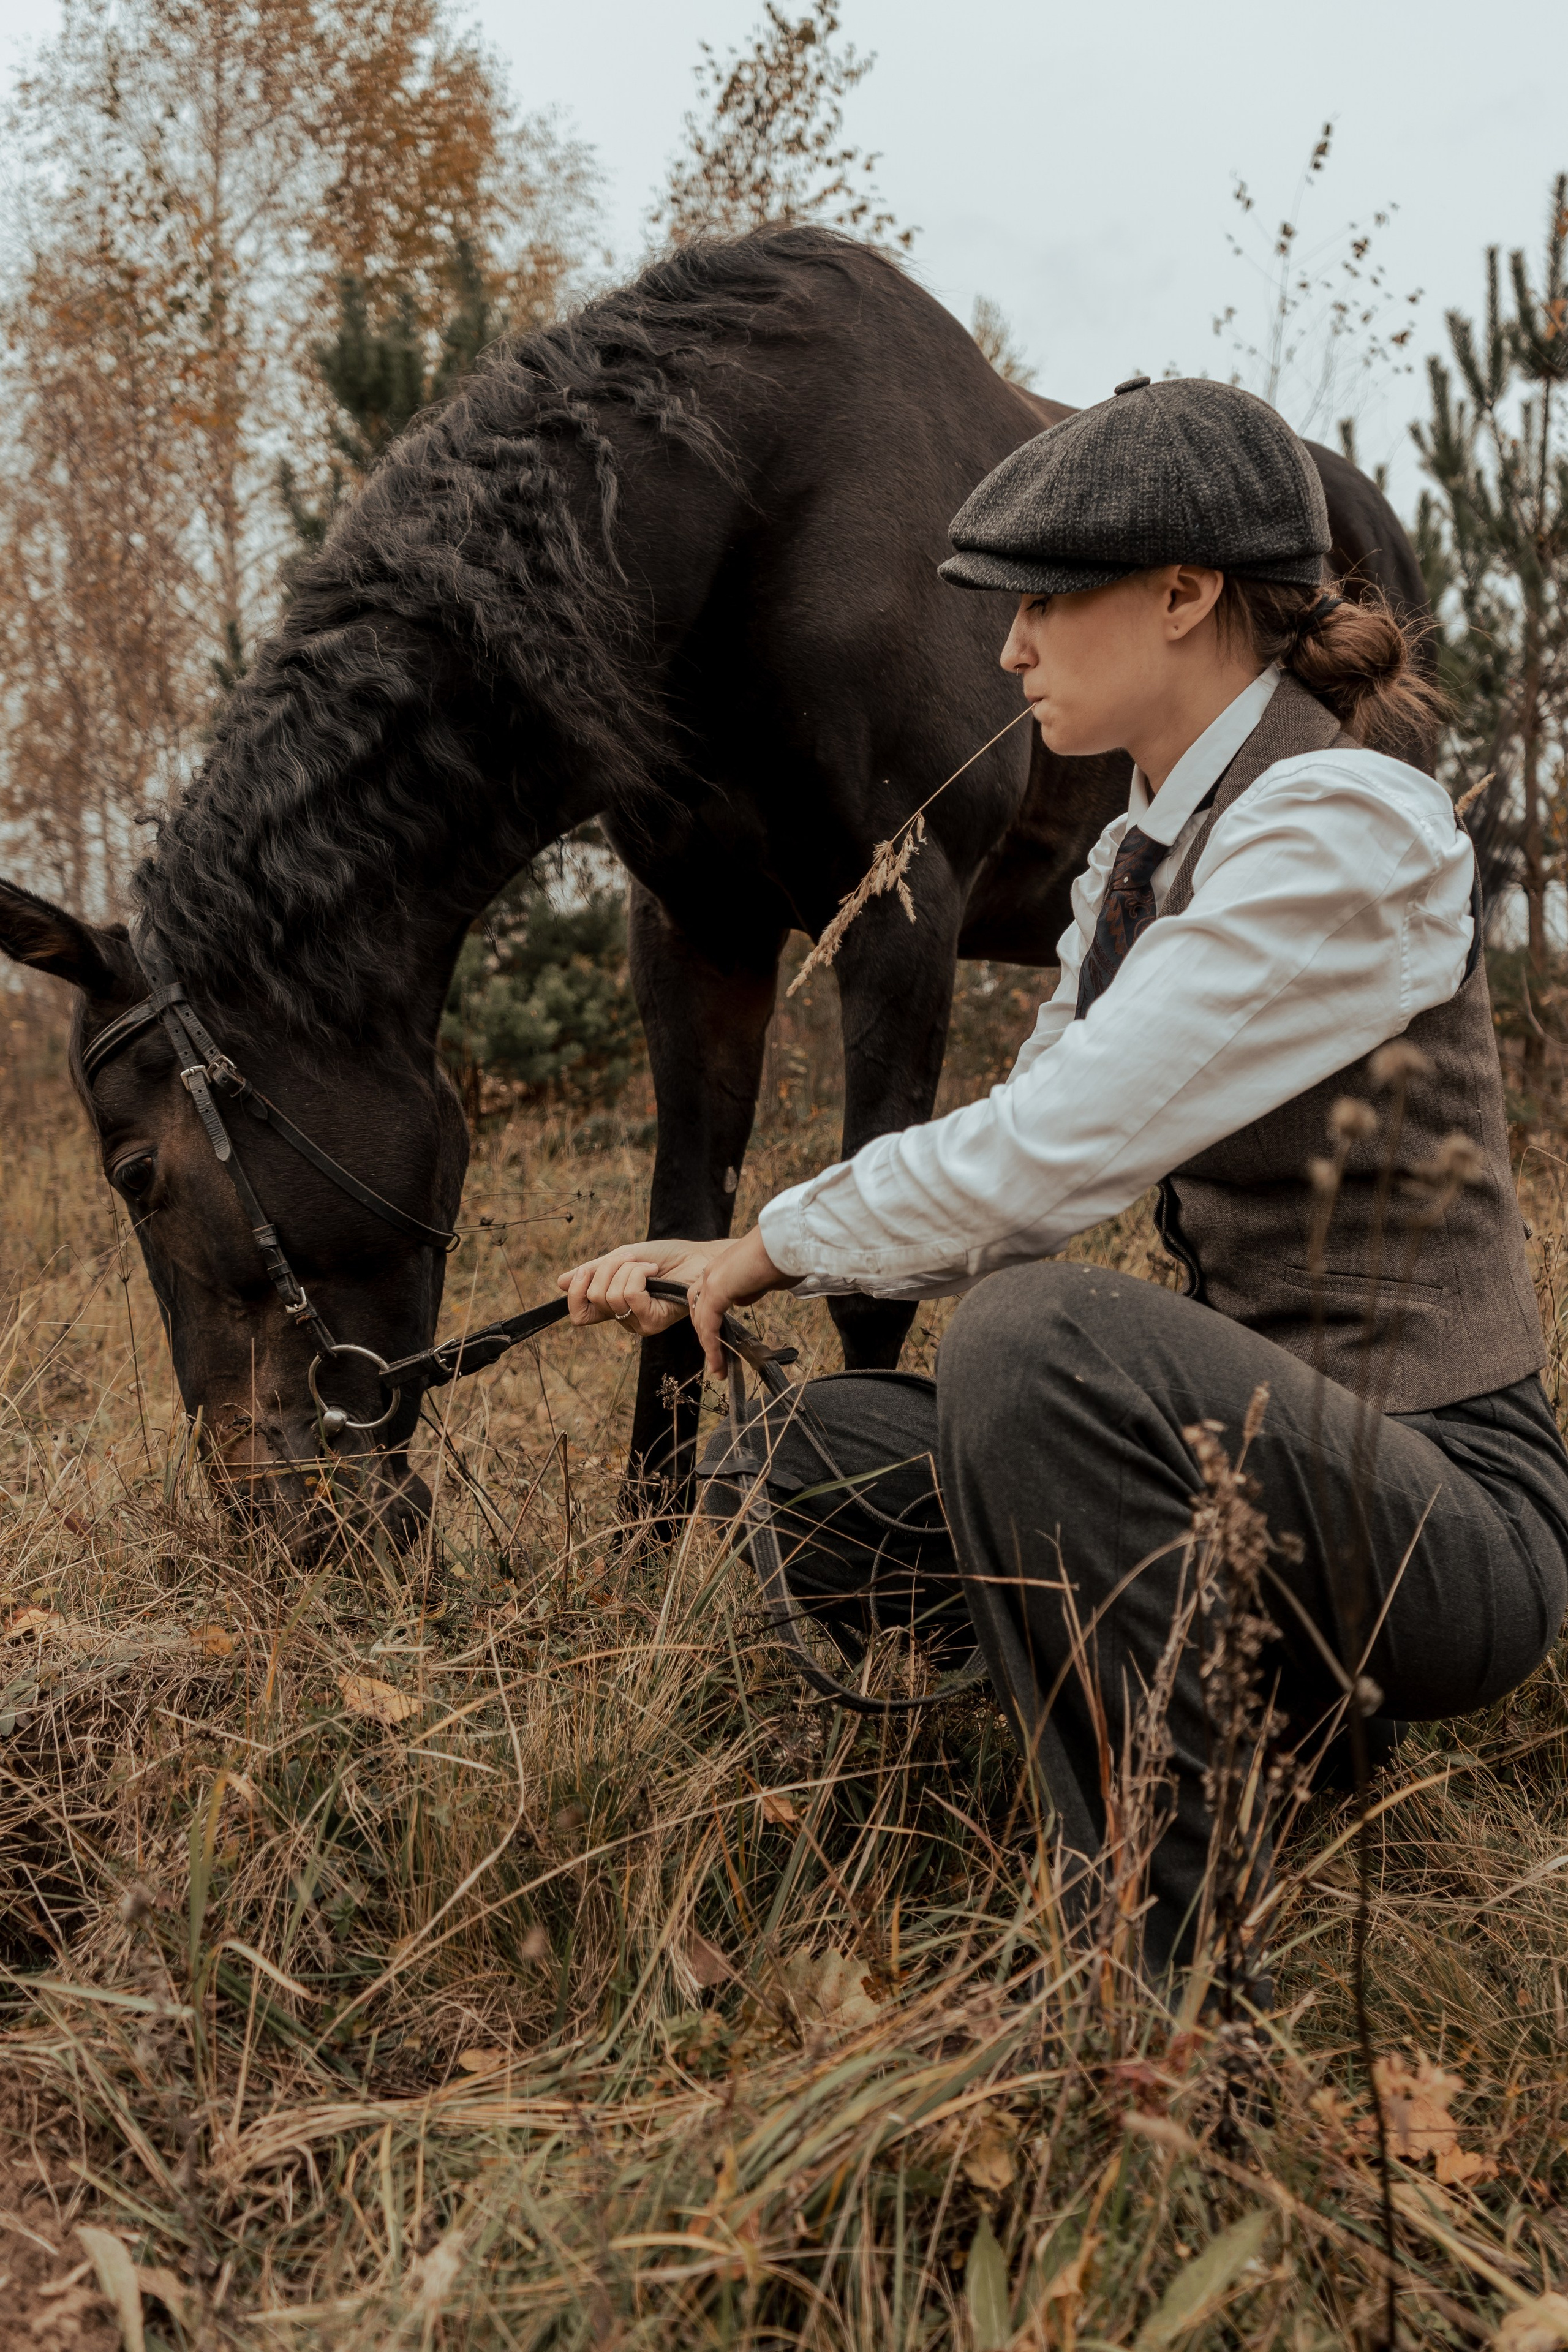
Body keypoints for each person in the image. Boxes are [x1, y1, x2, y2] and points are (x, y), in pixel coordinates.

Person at [557, 377, 1568, 1985]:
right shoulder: (1136, 863)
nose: (1009, 646)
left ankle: (1156, 1957)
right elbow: (1021, 1154)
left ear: (1184, 596)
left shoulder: (1342, 829)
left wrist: (762, 1248)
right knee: (798, 1452)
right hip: (1263, 1487)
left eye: (1046, 600)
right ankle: (1228, 1711)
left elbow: (1056, 1152)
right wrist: (724, 1263)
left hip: (1444, 1518)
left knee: (1032, 1345)